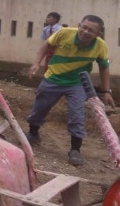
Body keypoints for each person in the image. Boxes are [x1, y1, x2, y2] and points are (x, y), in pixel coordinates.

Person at [26, 15, 115, 166]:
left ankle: (75, 149)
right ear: (79, 25)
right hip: (53, 78)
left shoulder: (100, 45)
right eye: (84, 27)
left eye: (91, 31)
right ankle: (33, 133)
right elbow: (46, 44)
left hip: (77, 83)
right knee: (40, 108)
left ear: (98, 34)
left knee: (77, 114)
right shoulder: (64, 33)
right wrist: (36, 63)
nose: (85, 32)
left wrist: (107, 91)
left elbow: (104, 67)